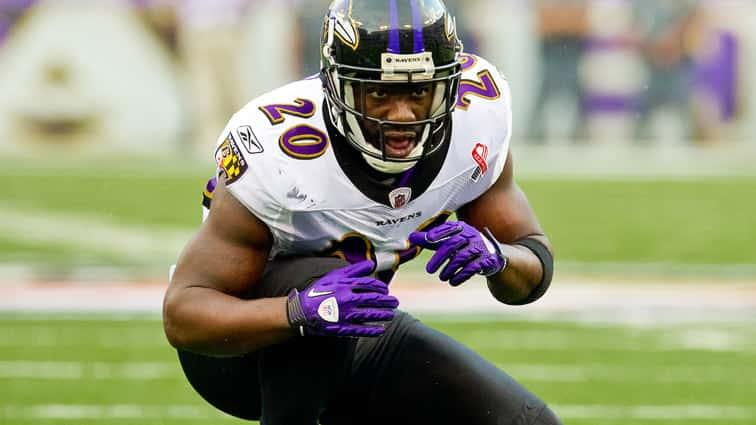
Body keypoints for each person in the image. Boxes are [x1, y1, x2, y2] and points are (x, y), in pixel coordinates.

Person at [163, 1, 559, 424]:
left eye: (418, 92)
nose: (402, 114)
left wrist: (498, 257)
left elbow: (533, 268)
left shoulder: (476, 116)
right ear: (339, 86)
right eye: (381, 93)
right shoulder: (278, 148)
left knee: (527, 422)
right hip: (243, 351)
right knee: (325, 286)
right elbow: (184, 315)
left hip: (360, 330)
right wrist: (299, 312)